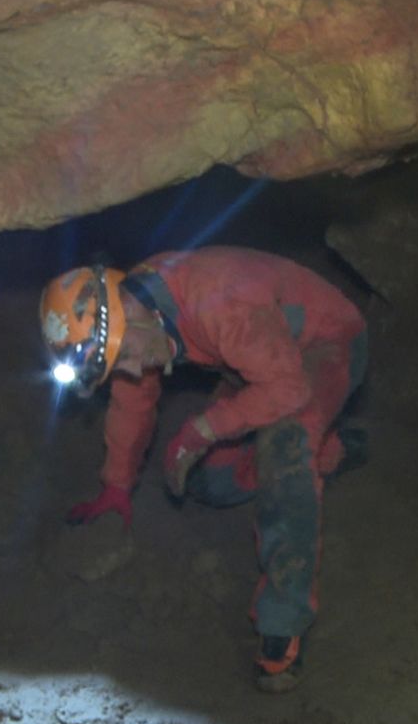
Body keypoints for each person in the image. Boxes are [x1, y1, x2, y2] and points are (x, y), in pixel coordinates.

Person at [41, 246, 367, 693]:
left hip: (324, 344)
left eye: (126, 356)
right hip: (256, 359)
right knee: (211, 481)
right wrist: (115, 486)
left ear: (131, 317)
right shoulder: (132, 314)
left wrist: (203, 429)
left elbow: (287, 388)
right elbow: (132, 404)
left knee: (285, 444)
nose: (131, 370)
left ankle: (282, 624)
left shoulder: (219, 301)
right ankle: (333, 448)